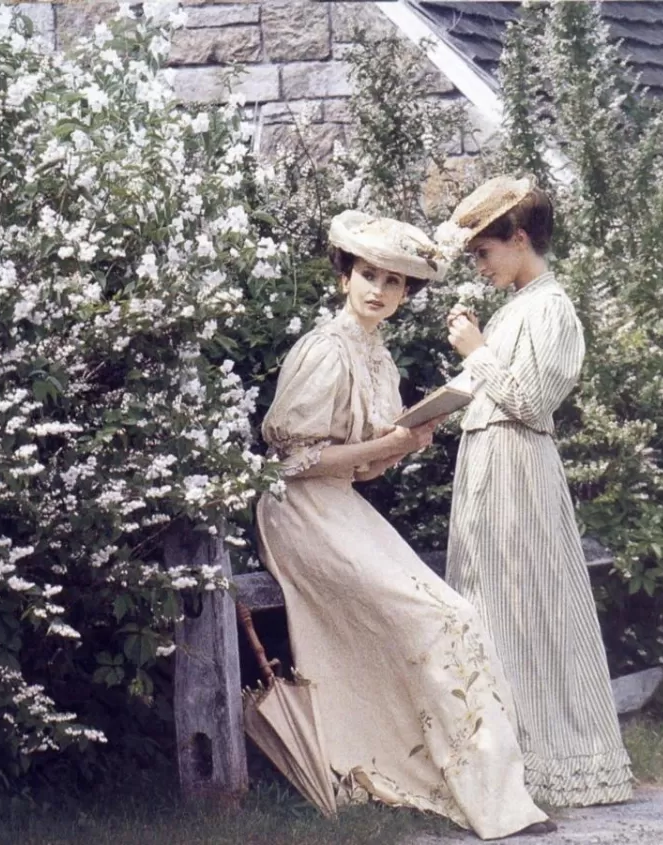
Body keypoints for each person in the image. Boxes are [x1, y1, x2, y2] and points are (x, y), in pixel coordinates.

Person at [255, 209, 554, 838]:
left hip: (341, 503)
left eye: (394, 284)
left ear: (405, 295)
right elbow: (291, 464)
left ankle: (495, 796)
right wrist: (384, 444)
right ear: (345, 276)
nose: (378, 292)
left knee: (453, 614)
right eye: (368, 275)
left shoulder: (379, 358)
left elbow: (364, 475)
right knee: (435, 615)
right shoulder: (324, 349)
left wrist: (406, 442)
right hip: (298, 511)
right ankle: (440, 778)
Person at [438, 176, 634, 807]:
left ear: (519, 239)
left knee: (533, 607)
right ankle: (498, 758)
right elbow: (486, 393)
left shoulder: (553, 309)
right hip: (487, 464)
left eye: (485, 252)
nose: (479, 264)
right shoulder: (513, 309)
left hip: (520, 468)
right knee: (487, 604)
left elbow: (530, 401)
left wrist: (476, 350)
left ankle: (559, 757)